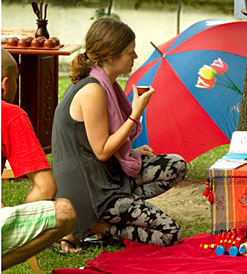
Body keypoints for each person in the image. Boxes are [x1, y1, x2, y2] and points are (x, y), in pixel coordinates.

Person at [51, 17, 187, 253]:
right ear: (111, 57)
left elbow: (96, 146)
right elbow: (102, 151)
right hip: (91, 191)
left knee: (176, 165)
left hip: (107, 174)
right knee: (170, 232)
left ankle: (122, 211)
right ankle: (97, 226)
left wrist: (130, 152)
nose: (135, 57)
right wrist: (135, 114)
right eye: (130, 52)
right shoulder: (92, 89)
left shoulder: (105, 83)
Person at [1, 48, 76, 270]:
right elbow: (46, 188)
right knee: (64, 212)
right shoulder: (9, 114)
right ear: (5, 84)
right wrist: (12, 215)